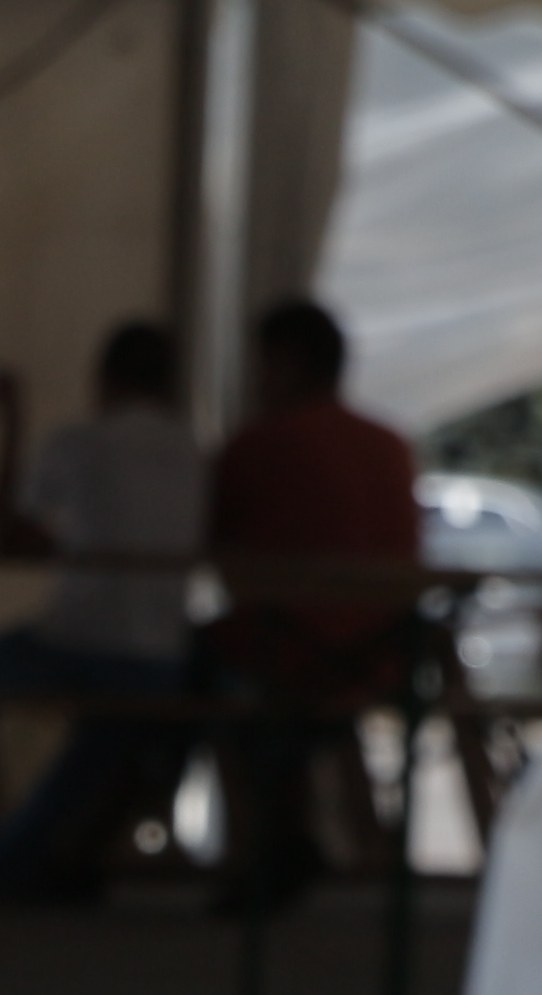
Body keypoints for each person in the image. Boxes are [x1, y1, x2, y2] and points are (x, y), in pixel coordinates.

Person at [0, 317, 205, 897]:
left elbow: (6, 536)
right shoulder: (194, 452)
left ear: (104, 378)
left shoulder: (80, 441)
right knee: (97, 749)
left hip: (82, 642)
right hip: (163, 658)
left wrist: (10, 422)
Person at [203, 297, 425, 912]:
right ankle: (310, 839)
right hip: (381, 652)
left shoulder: (258, 444)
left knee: (193, 672)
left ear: (286, 361)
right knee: (261, 660)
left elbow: (215, 546)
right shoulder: (390, 444)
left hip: (288, 652)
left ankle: (260, 845)